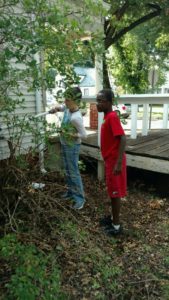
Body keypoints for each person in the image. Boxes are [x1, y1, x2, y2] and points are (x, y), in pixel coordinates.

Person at [49, 87, 87, 210]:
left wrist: (71, 134)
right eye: (64, 98)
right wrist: (56, 109)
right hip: (65, 144)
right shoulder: (68, 108)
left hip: (73, 147)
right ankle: (71, 192)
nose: (65, 101)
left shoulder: (76, 117)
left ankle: (80, 199)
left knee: (73, 172)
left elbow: (84, 135)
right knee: (67, 170)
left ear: (75, 100)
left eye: (68, 99)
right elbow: (62, 107)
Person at [96, 89, 127, 236]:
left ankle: (116, 226)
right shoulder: (106, 116)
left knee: (115, 194)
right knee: (112, 192)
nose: (98, 103)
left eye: (101, 101)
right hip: (110, 160)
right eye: (98, 100)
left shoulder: (113, 117)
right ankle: (112, 218)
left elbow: (122, 138)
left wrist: (118, 163)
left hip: (115, 161)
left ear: (109, 102)